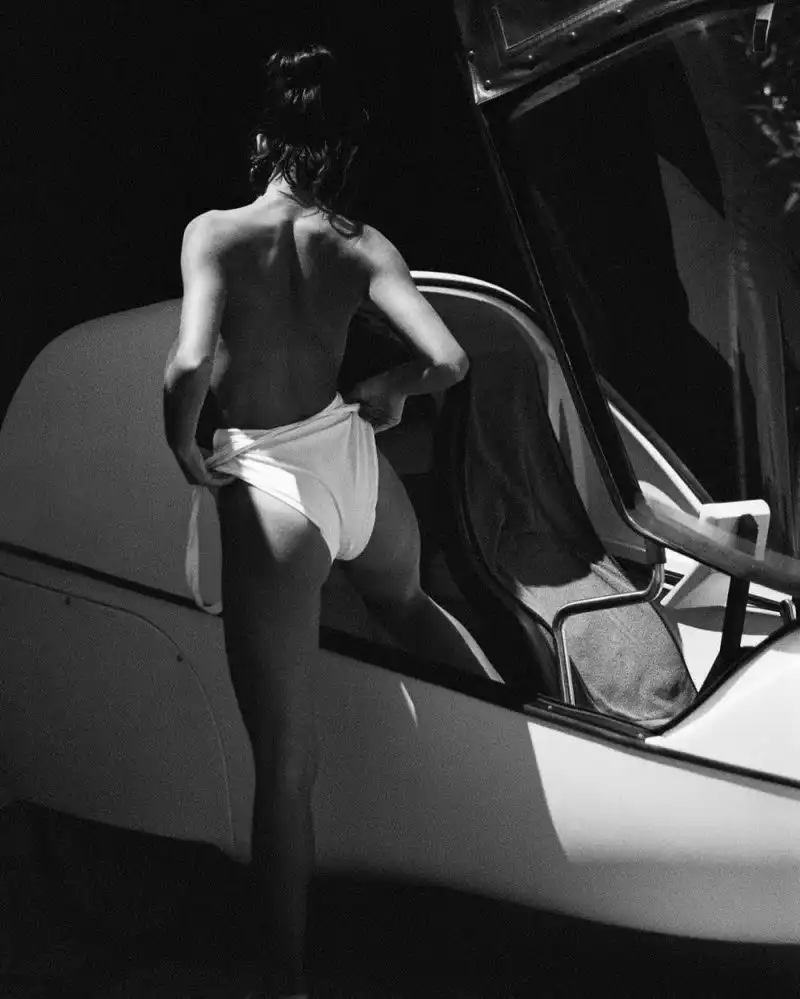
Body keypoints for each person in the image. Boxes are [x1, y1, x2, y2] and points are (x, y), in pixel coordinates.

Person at [163, 44, 501, 999]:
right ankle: (514, 771)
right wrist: (390, 388)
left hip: (275, 487)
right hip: (352, 464)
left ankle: (288, 982)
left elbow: (188, 363)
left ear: (263, 136)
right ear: (344, 145)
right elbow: (449, 359)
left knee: (285, 764)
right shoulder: (361, 243)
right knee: (413, 607)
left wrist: (183, 444)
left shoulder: (215, 233)